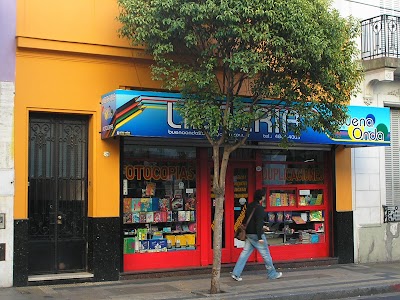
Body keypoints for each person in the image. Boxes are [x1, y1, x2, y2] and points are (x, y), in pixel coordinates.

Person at [231, 189, 282, 281]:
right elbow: (258, 224)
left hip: (249, 234)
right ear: (261, 198)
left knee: (245, 253)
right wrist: (260, 237)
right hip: (256, 235)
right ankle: (272, 273)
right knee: (266, 255)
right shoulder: (260, 209)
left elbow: (248, 220)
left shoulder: (250, 206)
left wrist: (263, 227)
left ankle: (236, 273)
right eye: (264, 196)